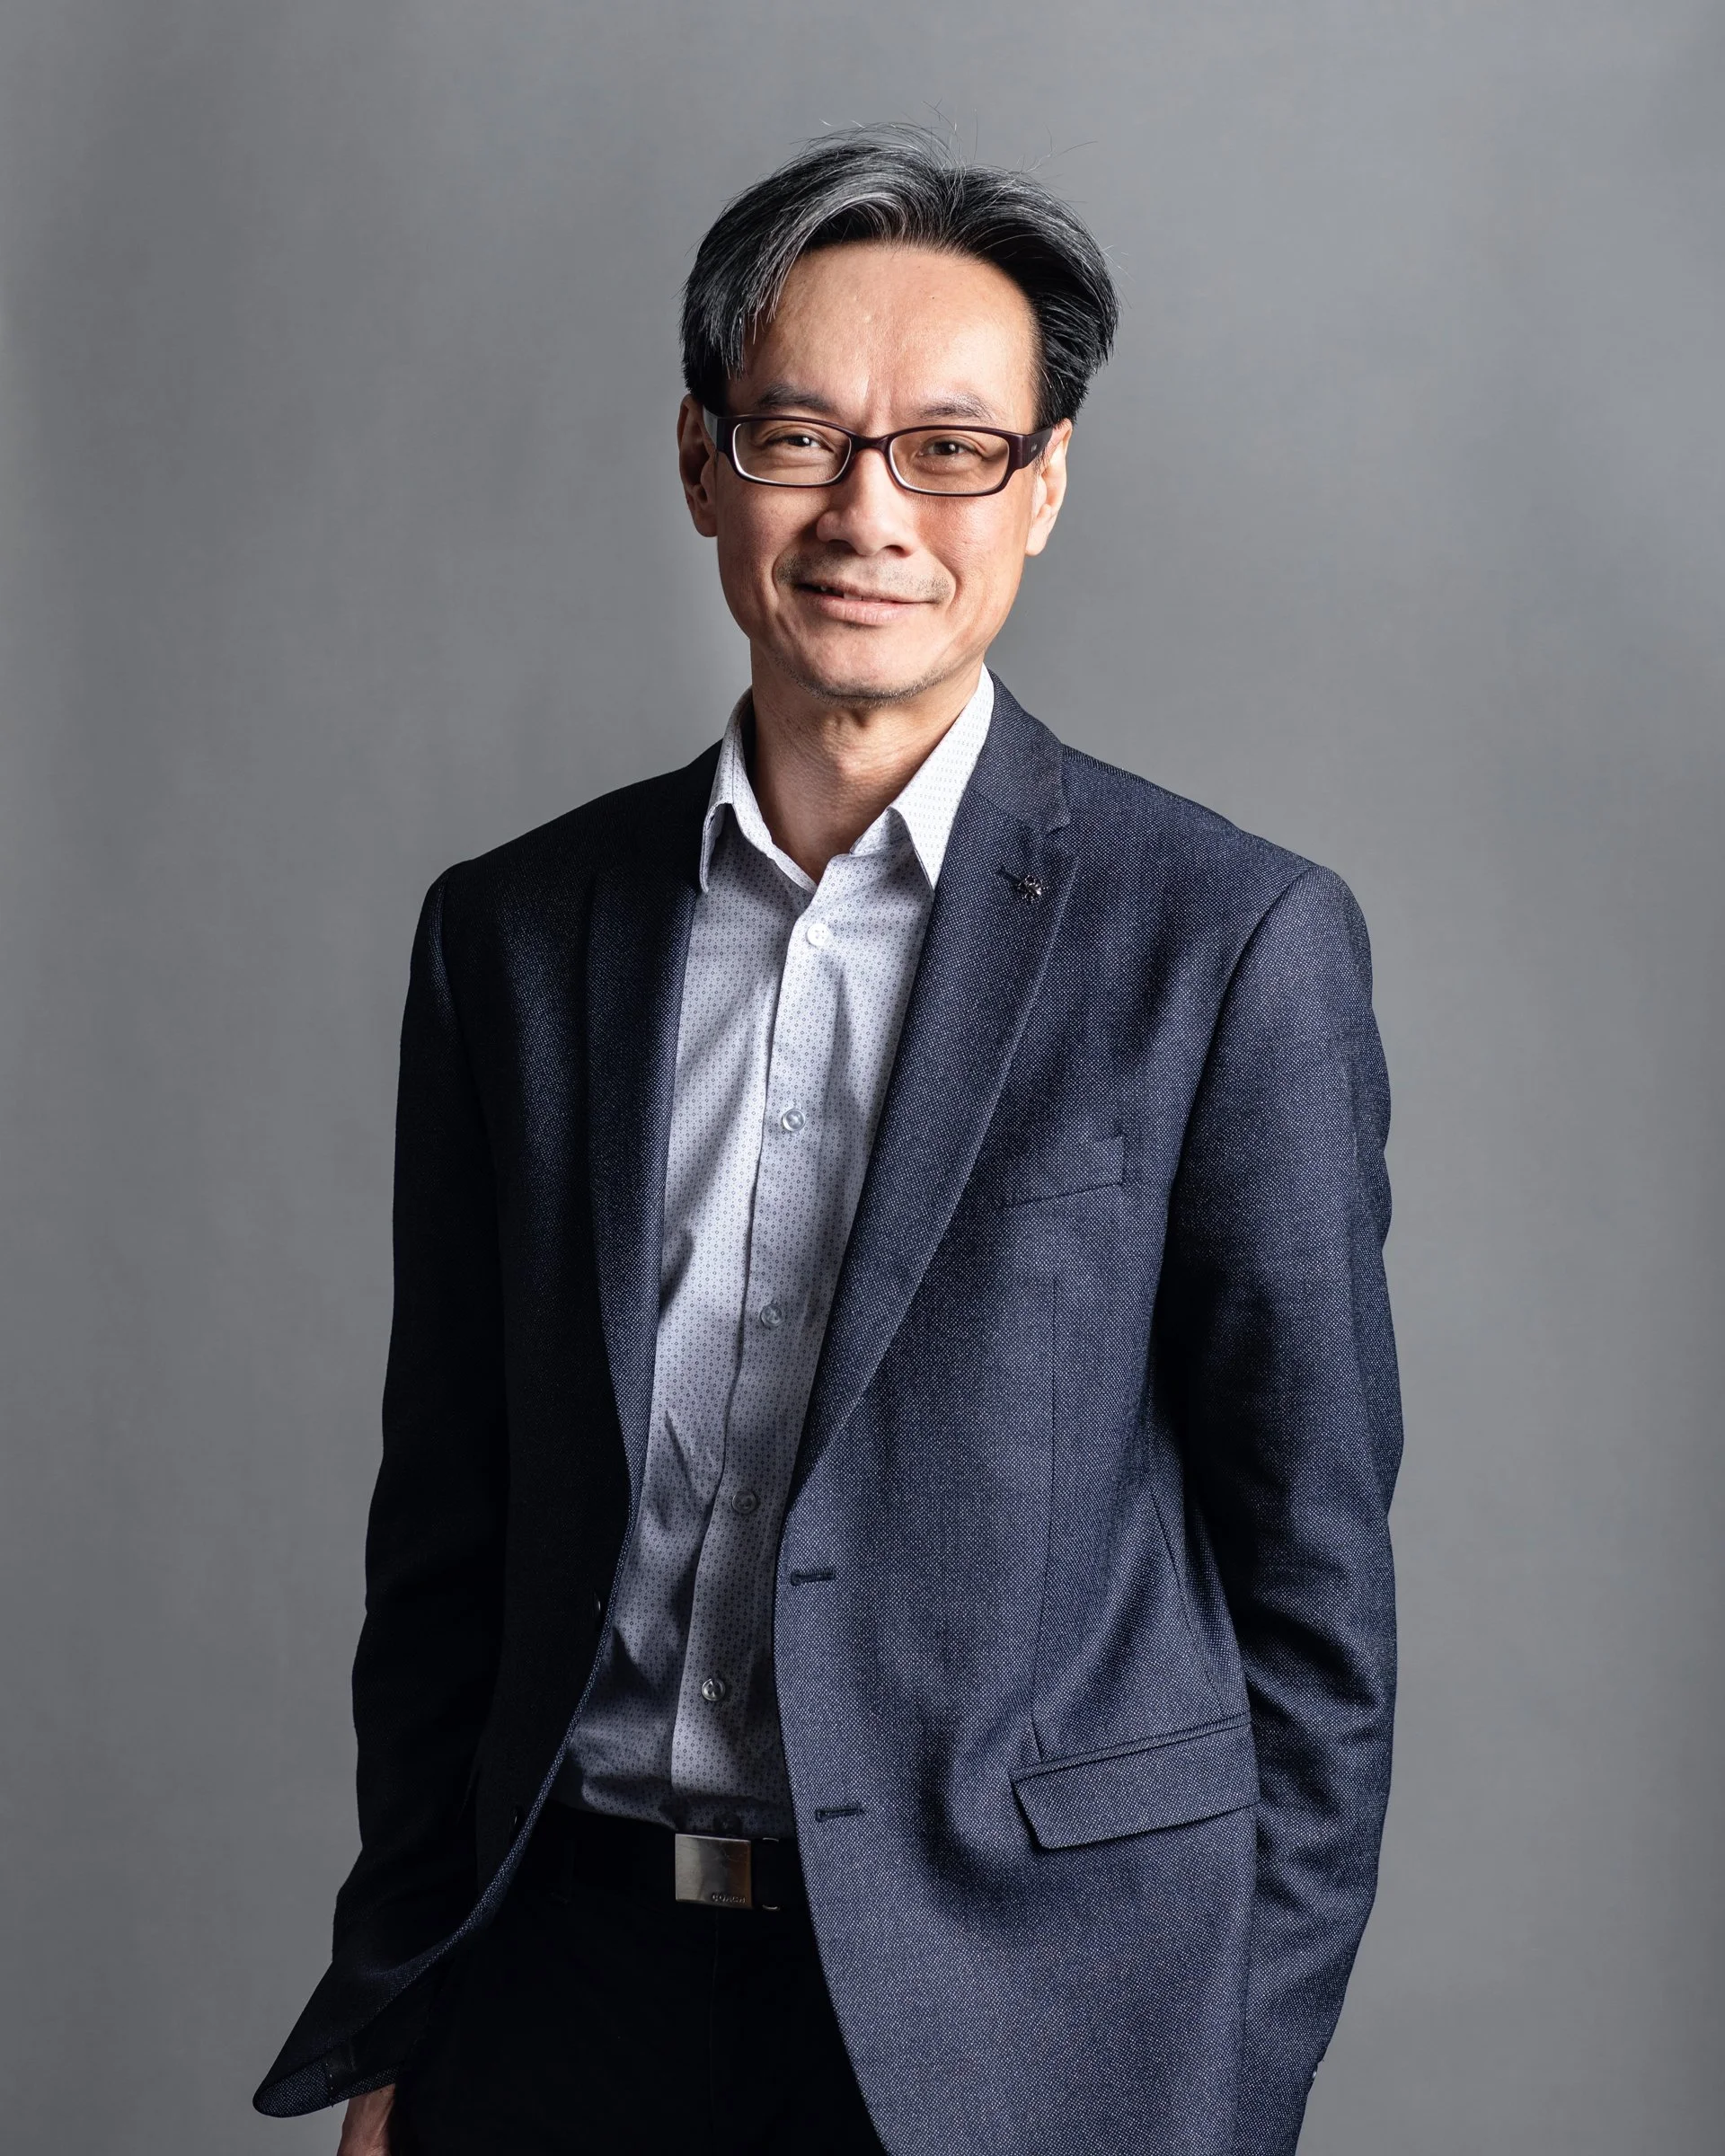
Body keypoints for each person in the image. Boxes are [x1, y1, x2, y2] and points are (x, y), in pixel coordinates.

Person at [255, 124, 1402, 2156]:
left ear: (1044, 485)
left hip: (1029, 2029)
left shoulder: (1227, 946)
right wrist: (403, 2017)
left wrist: (1221, 2097)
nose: (871, 511)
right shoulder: (513, 938)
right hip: (560, 1990)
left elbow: (1317, 1606)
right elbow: (447, 1543)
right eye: (802, 439)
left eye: (951, 449)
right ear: (704, 466)